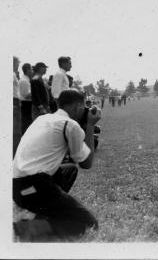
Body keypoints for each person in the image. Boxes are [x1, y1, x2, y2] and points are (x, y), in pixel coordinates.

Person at [13, 89, 101, 241]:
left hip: (16, 189)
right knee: (88, 223)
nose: (85, 110)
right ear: (76, 107)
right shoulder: (70, 124)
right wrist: (91, 125)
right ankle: (27, 228)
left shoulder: (42, 119)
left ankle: (46, 211)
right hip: (35, 187)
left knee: (70, 169)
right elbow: (86, 163)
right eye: (83, 106)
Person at [19, 63, 34, 134]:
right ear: (27, 70)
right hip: (26, 104)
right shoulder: (24, 81)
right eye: (31, 69)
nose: (32, 71)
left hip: (27, 104)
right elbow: (26, 95)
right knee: (26, 124)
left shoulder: (26, 80)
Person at [13, 56, 22, 157]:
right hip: (14, 102)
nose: (18, 64)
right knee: (15, 131)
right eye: (17, 62)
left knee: (16, 131)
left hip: (16, 102)